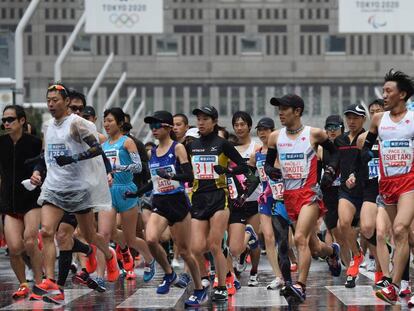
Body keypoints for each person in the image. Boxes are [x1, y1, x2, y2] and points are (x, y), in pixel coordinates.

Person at [29, 83, 119, 304]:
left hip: (79, 189)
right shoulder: (48, 126)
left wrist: (73, 158)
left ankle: (109, 255)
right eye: (48, 99)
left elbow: (99, 148)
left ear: (66, 102)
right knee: (48, 232)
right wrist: (38, 172)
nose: (51, 104)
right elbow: (46, 155)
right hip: (54, 187)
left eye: (55, 100)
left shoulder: (77, 124)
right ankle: (52, 282)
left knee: (89, 236)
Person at [265, 94, 341, 304]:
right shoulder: (274, 137)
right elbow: (268, 165)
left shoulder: (314, 134)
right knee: (314, 247)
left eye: (284, 109)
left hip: (310, 193)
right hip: (289, 196)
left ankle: (300, 286)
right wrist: (271, 171)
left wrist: (330, 171)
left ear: (297, 111)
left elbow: (335, 154)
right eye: (278, 108)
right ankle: (332, 252)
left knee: (299, 238)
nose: (280, 112)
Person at [127, 110, 207, 307]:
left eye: (157, 126)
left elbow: (190, 176)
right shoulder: (151, 152)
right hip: (160, 203)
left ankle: (199, 288)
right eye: (151, 126)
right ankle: (169, 274)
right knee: (151, 238)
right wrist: (137, 193)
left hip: (178, 203)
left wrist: (171, 176)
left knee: (186, 252)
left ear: (168, 127)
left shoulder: (178, 148)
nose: (153, 130)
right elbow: (153, 182)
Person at [354, 70, 414, 306]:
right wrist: (367, 151)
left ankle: (393, 286)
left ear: (403, 94)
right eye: (384, 90)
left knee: (400, 230)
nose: (384, 95)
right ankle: (404, 285)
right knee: (403, 237)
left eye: (389, 91)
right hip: (387, 184)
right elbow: (367, 143)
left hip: (409, 181)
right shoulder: (379, 120)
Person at [188, 106, 248, 302]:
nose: (201, 122)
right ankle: (205, 278)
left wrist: (226, 170)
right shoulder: (192, 145)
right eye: (198, 119)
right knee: (196, 247)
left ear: (214, 121)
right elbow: (188, 173)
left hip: (218, 198)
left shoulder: (222, 144)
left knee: (215, 245)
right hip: (198, 199)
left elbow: (243, 166)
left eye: (205, 119)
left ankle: (222, 285)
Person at [102, 107, 155, 283]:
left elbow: (138, 166)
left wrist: (119, 168)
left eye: (110, 120)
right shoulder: (103, 145)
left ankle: (149, 259)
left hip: (127, 190)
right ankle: (121, 255)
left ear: (119, 123)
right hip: (110, 191)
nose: (106, 124)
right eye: (105, 120)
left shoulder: (127, 142)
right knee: (106, 233)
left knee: (132, 237)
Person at [0, 105, 43, 299]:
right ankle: (24, 284)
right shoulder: (1, 143)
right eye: (4, 120)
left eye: (10, 120)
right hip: (9, 202)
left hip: (31, 199)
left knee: (30, 241)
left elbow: (41, 163)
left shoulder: (34, 142)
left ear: (22, 121)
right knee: (15, 248)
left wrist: (37, 173)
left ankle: (41, 284)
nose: (6, 123)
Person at [248, 117, 284, 290]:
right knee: (268, 237)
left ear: (273, 131)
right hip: (265, 198)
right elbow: (252, 177)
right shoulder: (256, 153)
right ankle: (279, 277)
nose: (262, 133)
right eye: (259, 130)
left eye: (265, 130)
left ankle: (328, 252)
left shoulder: (280, 149)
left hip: (282, 196)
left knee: (290, 239)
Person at [334, 103, 367, 288]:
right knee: (343, 224)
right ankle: (356, 255)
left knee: (370, 231)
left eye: (356, 117)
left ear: (364, 119)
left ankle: (382, 272)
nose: (352, 121)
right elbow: (335, 161)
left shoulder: (368, 138)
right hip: (346, 191)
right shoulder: (340, 140)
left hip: (367, 190)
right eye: (349, 117)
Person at [228, 111, 261, 287]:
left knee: (254, 240)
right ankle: (241, 255)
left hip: (254, 199)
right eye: (236, 125)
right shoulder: (230, 149)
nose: (239, 128)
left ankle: (254, 272)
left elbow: (256, 175)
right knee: (237, 241)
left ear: (249, 126)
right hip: (235, 202)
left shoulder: (256, 148)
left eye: (242, 124)